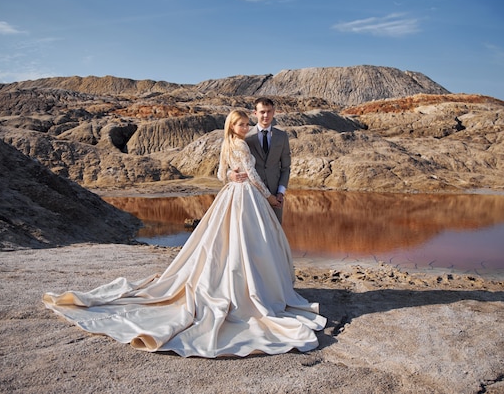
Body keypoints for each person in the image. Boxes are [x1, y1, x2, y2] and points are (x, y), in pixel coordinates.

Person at [43, 109, 326, 358]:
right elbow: (248, 176)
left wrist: (229, 177)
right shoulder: (239, 143)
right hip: (246, 197)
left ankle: (248, 284)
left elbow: (219, 174)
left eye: (246, 123)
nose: (246, 127)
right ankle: (248, 289)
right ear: (232, 126)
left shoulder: (227, 143)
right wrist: (268, 198)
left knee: (236, 242)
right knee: (248, 241)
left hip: (232, 195)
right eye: (241, 123)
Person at [230, 97, 290, 223]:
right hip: (252, 194)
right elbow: (229, 163)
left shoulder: (282, 137)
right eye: (262, 112)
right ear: (255, 113)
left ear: (274, 112)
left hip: (275, 195)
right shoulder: (245, 136)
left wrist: (280, 192)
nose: (266, 115)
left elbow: (285, 168)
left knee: (275, 234)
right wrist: (230, 175)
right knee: (255, 236)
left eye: (269, 111)